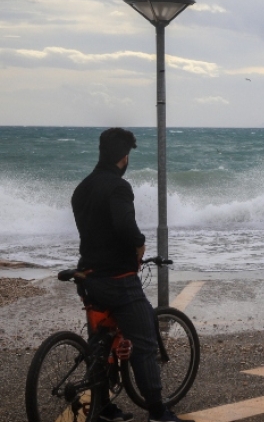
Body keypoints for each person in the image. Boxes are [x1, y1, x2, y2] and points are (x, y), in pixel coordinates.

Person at [71, 128, 192, 422]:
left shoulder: (82, 188)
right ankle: (157, 412)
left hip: (87, 276)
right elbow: (124, 226)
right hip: (117, 279)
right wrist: (139, 244)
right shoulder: (118, 187)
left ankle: (102, 408)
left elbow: (94, 231)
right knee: (146, 341)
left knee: (101, 345)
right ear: (124, 157)